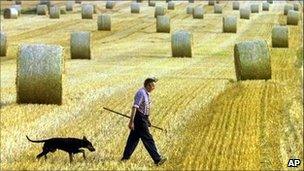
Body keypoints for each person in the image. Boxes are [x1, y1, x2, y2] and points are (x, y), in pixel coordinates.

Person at [121, 77, 167, 166]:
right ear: (149, 85)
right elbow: (135, 107)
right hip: (139, 119)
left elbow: (145, 109)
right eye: (153, 85)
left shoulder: (147, 94)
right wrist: (131, 122)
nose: (154, 87)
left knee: (133, 139)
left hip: (142, 118)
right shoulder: (141, 93)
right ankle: (157, 160)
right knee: (148, 139)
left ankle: (125, 158)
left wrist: (147, 120)